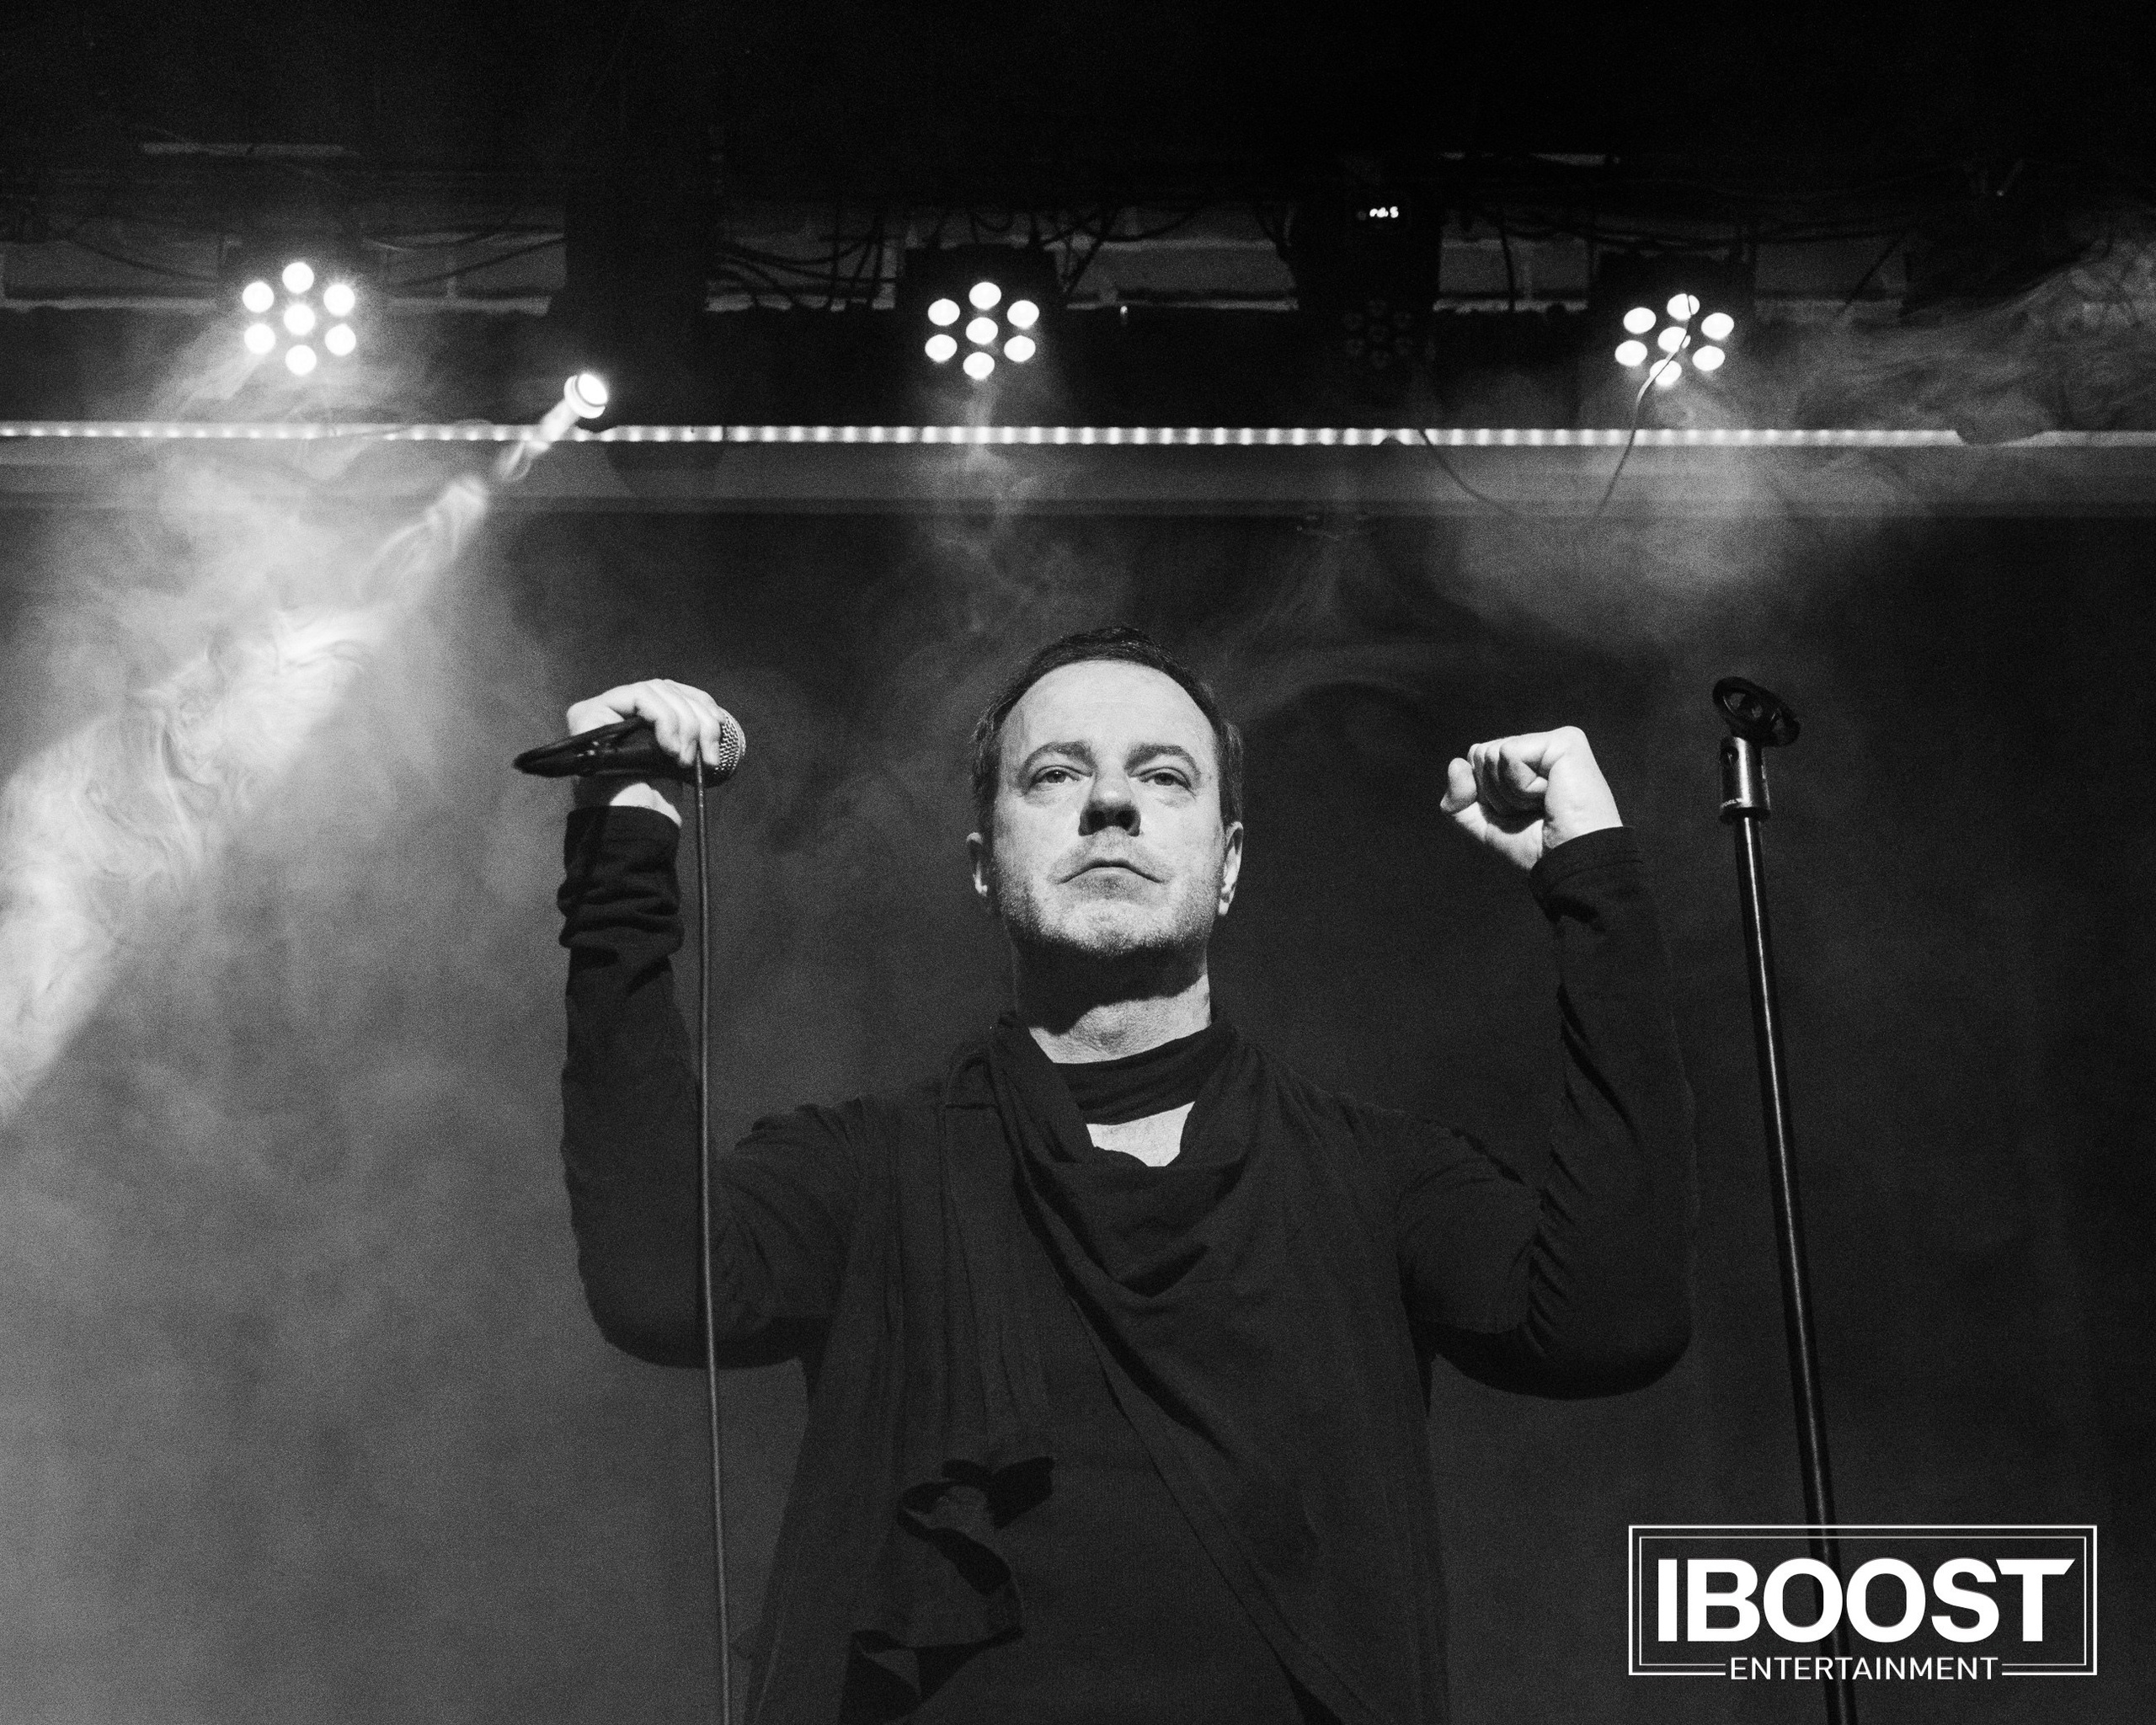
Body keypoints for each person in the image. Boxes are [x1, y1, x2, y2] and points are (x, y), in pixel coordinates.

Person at [553, 625, 1695, 1725]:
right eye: (1054, 775)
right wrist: (623, 840)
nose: (1111, 804)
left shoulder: (1375, 1177)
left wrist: (1593, 881)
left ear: (1230, 866)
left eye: (1164, 776)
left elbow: (1609, 1320)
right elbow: (659, 1285)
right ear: (984, 867)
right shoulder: (868, 1172)